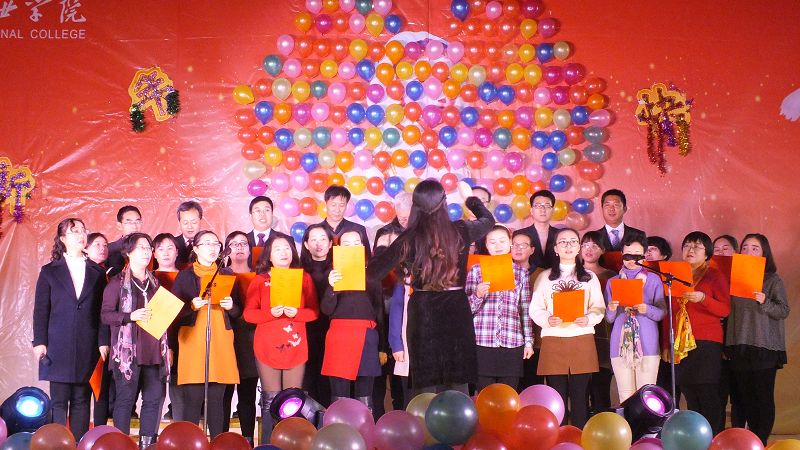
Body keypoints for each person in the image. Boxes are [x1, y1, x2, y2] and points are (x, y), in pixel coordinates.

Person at [368, 180, 495, 394]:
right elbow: (488, 221)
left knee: (425, 384)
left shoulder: (408, 238)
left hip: (423, 309)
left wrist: (382, 248)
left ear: (415, 206)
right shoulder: (461, 230)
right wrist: (469, 199)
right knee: (457, 381)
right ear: (443, 203)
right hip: (456, 308)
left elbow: (373, 273)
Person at [33, 218, 109, 441]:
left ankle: (78, 443)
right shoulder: (49, 271)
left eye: (83, 230)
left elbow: (102, 311)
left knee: (81, 399)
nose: (80, 235)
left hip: (88, 343)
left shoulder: (97, 272)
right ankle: (58, 444)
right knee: (59, 400)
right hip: (58, 344)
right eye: (74, 231)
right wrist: (40, 341)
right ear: (63, 238)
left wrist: (103, 340)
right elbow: (41, 309)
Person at [245, 235, 319, 444]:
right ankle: (268, 444)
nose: (283, 252)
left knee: (292, 399)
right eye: (277, 249)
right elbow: (249, 314)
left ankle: (291, 444)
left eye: (287, 248)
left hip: (295, 345)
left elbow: (314, 312)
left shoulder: (304, 278)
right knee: (271, 399)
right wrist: (270, 313)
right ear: (269, 256)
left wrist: (297, 313)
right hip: (267, 346)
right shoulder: (260, 281)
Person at [529, 228, 605, 428]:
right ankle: (559, 436)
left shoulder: (589, 277)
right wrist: (547, 319)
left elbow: (599, 307)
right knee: (557, 395)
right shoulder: (545, 277)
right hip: (554, 339)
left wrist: (588, 319)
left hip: (582, 338)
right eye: (563, 242)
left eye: (573, 241)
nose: (568, 245)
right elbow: (535, 309)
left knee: (580, 395)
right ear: (555, 248)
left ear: (579, 247)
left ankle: (579, 436)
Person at [100, 233, 169, 448]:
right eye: (141, 248)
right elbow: (105, 315)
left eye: (148, 248)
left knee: (153, 400)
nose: (146, 252)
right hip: (127, 354)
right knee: (125, 400)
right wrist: (130, 316)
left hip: (153, 351)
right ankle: (121, 445)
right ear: (128, 252)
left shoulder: (155, 283)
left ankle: (147, 445)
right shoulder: (117, 283)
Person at [171, 230, 241, 438]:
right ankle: (191, 443)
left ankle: (218, 442)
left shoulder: (227, 275)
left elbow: (239, 312)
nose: (212, 248)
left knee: (217, 401)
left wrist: (231, 307)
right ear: (195, 248)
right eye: (207, 243)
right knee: (193, 399)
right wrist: (191, 306)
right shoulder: (185, 276)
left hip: (220, 340)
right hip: (193, 341)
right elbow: (172, 312)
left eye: (216, 244)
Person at [725, 234, 789, 445]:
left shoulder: (772, 280)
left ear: (764, 253)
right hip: (738, 345)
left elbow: (783, 310)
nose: (749, 251)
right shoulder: (732, 279)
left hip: (764, 347)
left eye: (755, 248)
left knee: (762, 398)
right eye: (745, 247)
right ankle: (746, 441)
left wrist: (764, 301)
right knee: (742, 398)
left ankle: (760, 441)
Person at [664, 231, 730, 435]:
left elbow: (725, 310)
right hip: (680, 343)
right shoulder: (673, 276)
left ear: (707, 253)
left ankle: (713, 438)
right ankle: (697, 438)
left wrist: (703, 299)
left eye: (697, 247)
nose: (691, 250)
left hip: (706, 342)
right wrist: (666, 344)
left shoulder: (714, 275)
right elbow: (669, 312)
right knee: (689, 392)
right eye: (687, 245)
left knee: (707, 392)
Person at [321, 231, 385, 411]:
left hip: (366, 336)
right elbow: (326, 309)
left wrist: (382, 347)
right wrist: (332, 287)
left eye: (356, 243)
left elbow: (379, 311)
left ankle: (365, 426)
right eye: (346, 244)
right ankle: (338, 426)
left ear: (363, 247)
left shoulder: (372, 274)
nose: (352, 248)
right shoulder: (332, 274)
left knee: (365, 393)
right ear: (338, 248)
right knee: (339, 393)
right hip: (339, 337)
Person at [466, 225, 534, 391]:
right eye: (493, 242)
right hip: (482, 340)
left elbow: (525, 309)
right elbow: (466, 311)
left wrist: (528, 342)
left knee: (508, 394)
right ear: (486, 245)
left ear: (510, 243)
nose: (498, 246)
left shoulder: (521, 273)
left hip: (512, 341)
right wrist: (478, 294)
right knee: (484, 394)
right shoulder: (476, 270)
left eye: (502, 241)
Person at [605, 236, 666, 402]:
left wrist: (647, 309)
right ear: (621, 254)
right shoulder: (613, 282)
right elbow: (609, 319)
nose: (632, 260)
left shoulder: (653, 279)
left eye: (637, 256)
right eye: (628, 255)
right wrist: (611, 308)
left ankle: (645, 421)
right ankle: (628, 420)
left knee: (646, 394)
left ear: (644, 256)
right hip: (620, 344)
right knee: (625, 395)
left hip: (647, 343)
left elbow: (662, 312)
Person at [220, 231, 258, 446]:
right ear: (226, 250)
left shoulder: (259, 276)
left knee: (247, 394)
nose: (239, 247)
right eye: (234, 244)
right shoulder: (219, 276)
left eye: (244, 243)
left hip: (250, 341)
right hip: (224, 339)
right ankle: (221, 440)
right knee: (223, 395)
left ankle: (248, 441)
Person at [579, 231, 616, 415]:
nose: (589, 249)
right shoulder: (571, 274)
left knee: (601, 388)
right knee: (580, 390)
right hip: (578, 337)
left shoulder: (612, 276)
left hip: (604, 337)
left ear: (603, 250)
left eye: (595, 246)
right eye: (585, 245)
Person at [300, 224, 334, 407]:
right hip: (306, 331)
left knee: (330, 380)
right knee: (309, 379)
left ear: (330, 243)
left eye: (323, 239)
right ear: (306, 244)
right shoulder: (298, 271)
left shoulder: (339, 269)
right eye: (313, 239)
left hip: (333, 330)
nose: (318, 244)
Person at [85, 232, 113, 427]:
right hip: (87, 338)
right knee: (84, 391)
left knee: (102, 390)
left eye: (105, 245)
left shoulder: (110, 272)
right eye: (97, 244)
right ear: (85, 248)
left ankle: (100, 432)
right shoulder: (81, 272)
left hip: (107, 338)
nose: (102, 248)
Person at [511, 231, 545, 389]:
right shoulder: (501, 272)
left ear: (532, 250)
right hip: (510, 339)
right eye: (515, 245)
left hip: (536, 340)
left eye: (523, 245)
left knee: (532, 386)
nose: (518, 248)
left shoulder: (542, 274)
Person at [316, 186, 371, 258]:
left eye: (342, 205)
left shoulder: (358, 229)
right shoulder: (314, 231)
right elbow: (306, 260)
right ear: (325, 204)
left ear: (346, 206)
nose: (337, 210)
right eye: (333, 205)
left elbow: (367, 259)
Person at [517, 190, 559, 269]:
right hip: (528, 276)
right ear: (531, 211)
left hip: (555, 276)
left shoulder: (561, 235)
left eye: (547, 206)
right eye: (538, 205)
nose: (543, 209)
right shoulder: (519, 235)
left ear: (552, 210)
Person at [246, 196, 292, 265]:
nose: (262, 214)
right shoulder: (243, 240)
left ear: (272, 214)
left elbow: (293, 267)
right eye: (258, 211)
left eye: (267, 210)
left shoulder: (287, 240)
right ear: (251, 216)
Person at [107, 206, 144, 276]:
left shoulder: (149, 249)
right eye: (129, 222)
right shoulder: (110, 249)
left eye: (137, 221)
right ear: (119, 226)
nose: (134, 226)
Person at [174, 201, 203, 268]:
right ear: (179, 223)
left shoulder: (212, 245)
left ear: (200, 221)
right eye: (185, 223)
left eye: (194, 222)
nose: (190, 227)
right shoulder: (172, 244)